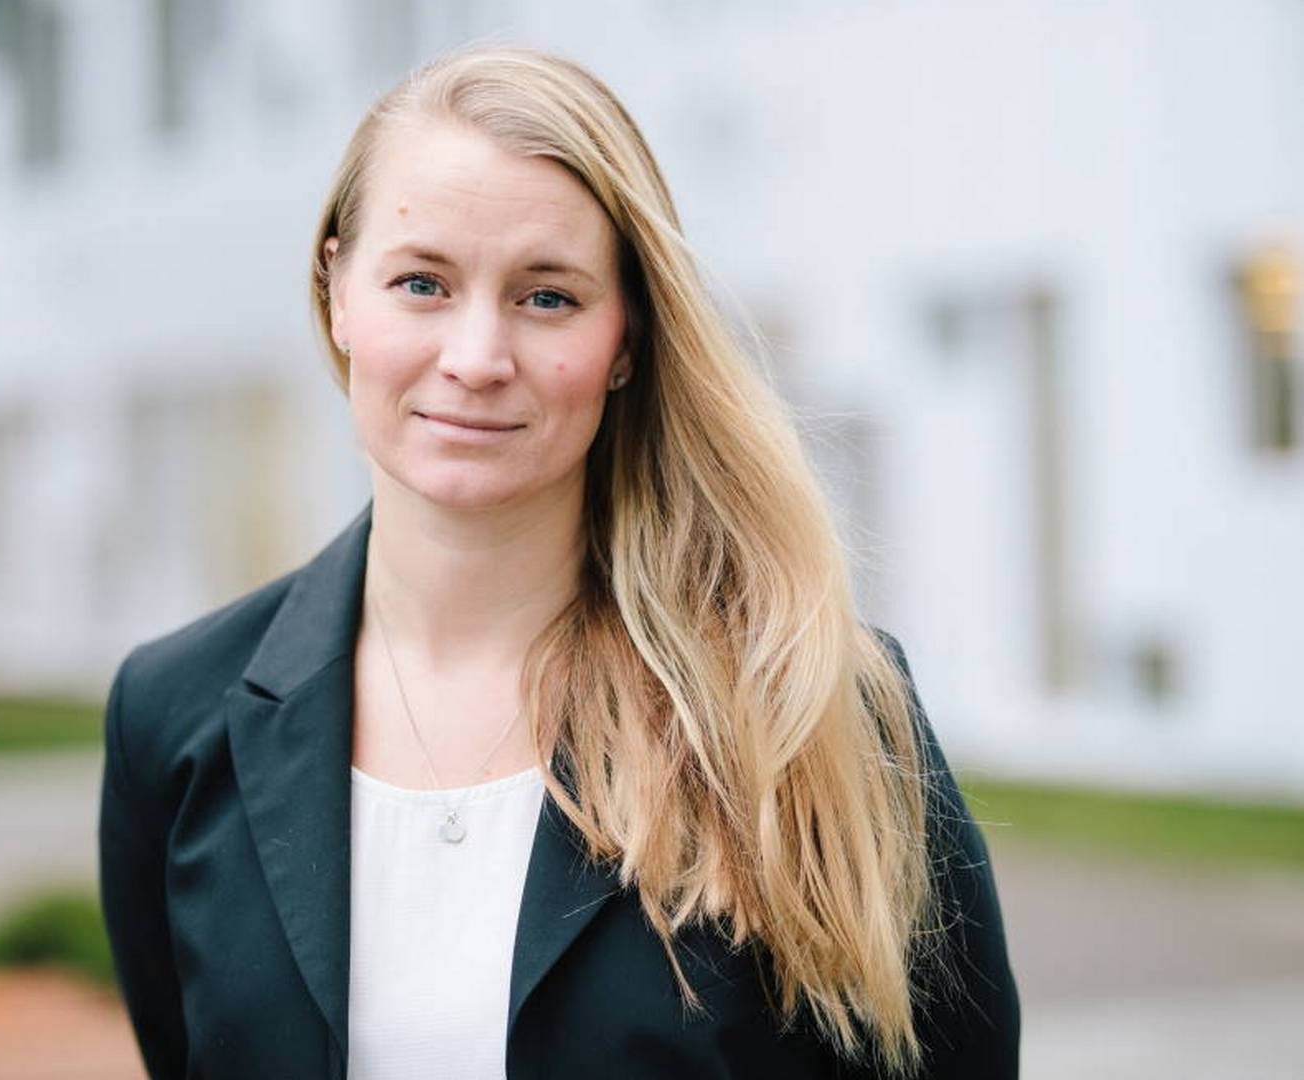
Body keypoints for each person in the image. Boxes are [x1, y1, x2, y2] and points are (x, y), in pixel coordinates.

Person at [98, 44, 1018, 1080]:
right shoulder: (172, 720)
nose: (477, 359)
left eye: (547, 298)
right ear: (338, 291)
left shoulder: (806, 704)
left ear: (626, 337)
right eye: (421, 283)